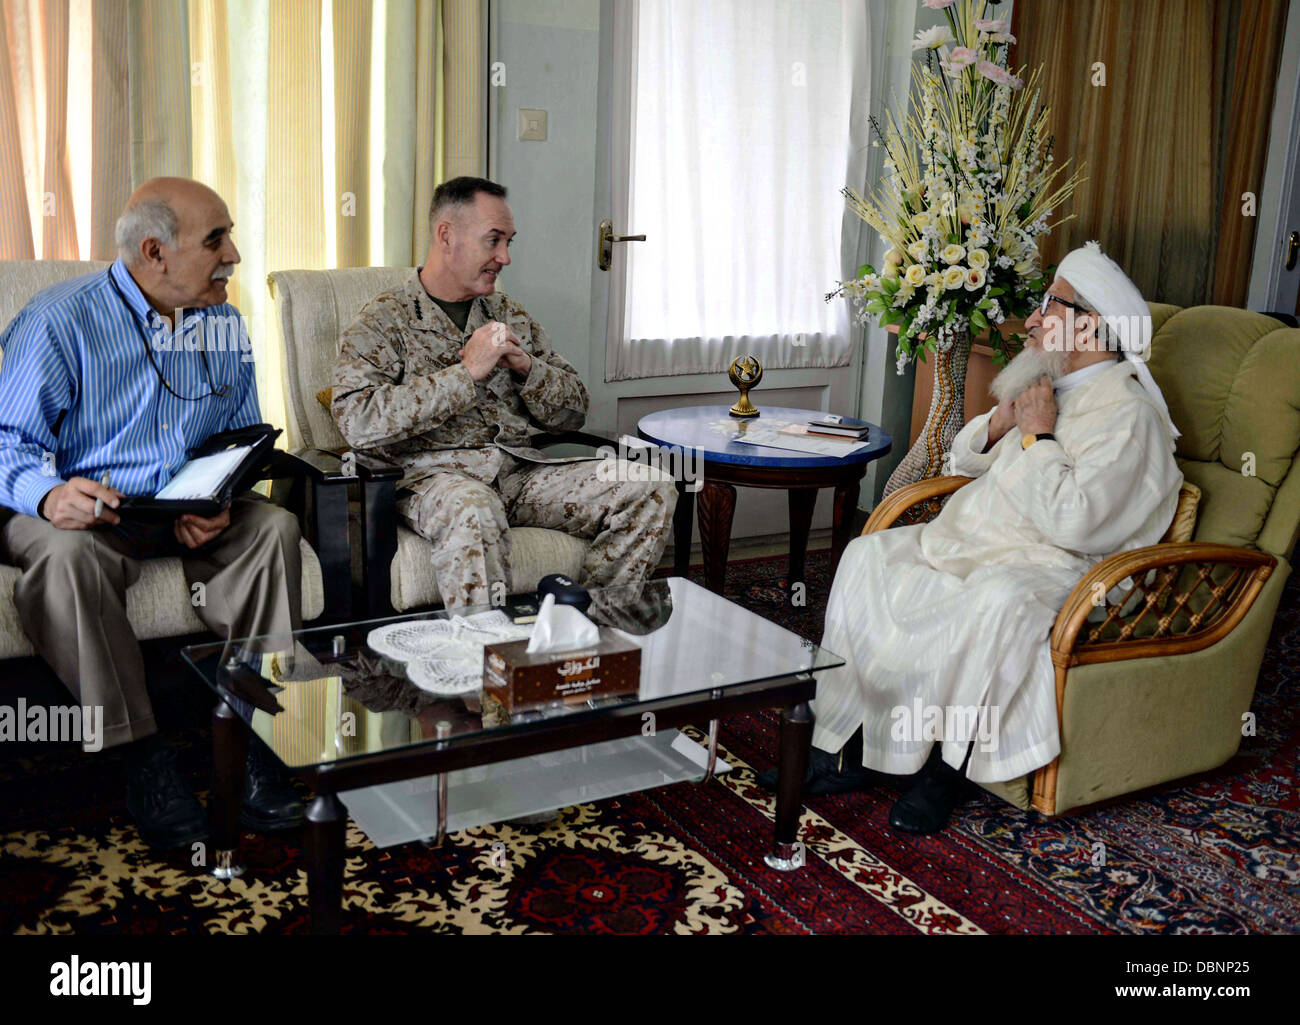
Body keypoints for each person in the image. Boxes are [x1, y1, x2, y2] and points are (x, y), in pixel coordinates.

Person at [760, 242, 1184, 834]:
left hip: (1062, 566)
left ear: (1088, 325)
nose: (1033, 320)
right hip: (979, 539)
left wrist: (1038, 437)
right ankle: (859, 743)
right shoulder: (1053, 383)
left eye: (1049, 306)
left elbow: (1076, 522)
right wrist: (1005, 425)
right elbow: (966, 457)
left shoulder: (1128, 415)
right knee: (869, 555)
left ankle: (946, 768)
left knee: (996, 601)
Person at [0, 177, 304, 850]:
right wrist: (51, 495)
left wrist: (222, 497)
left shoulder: (223, 323)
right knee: (68, 556)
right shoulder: (60, 320)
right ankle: (141, 756)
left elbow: (241, 431)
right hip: (82, 511)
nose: (235, 255)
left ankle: (259, 737)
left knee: (273, 528)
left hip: (183, 505)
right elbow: (5, 441)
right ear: (153, 251)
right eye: (216, 239)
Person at [332, 176, 677, 610]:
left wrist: (529, 370)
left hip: (520, 474)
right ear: (446, 236)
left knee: (650, 485)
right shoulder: (384, 320)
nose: (505, 257)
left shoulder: (507, 313)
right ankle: (485, 660)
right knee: (473, 508)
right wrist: (465, 373)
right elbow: (356, 421)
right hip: (436, 479)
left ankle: (591, 630)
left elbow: (574, 413)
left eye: (509, 241)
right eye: (493, 241)